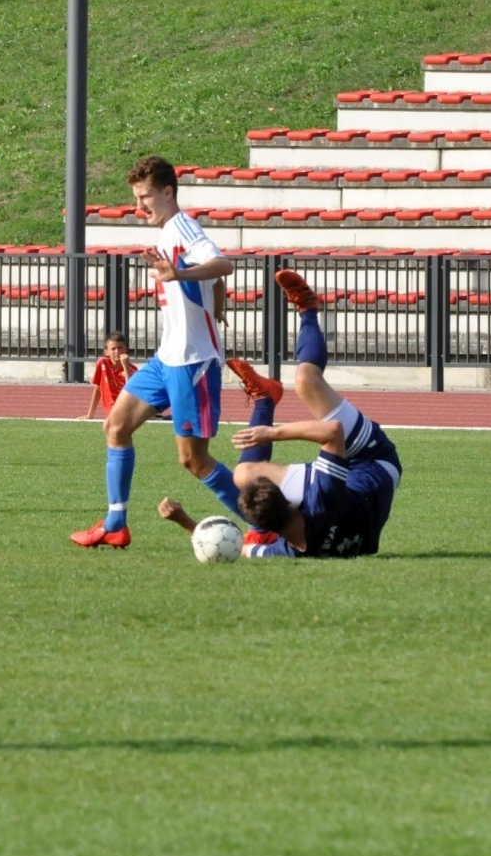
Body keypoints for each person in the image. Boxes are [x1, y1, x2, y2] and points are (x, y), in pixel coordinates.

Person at [158, 268, 402, 559]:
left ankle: (264, 399)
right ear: (291, 501)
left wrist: (185, 522)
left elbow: (237, 549)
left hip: (359, 499)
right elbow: (332, 431)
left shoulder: (287, 551)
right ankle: (308, 310)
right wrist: (272, 433)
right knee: (306, 382)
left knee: (245, 475)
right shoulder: (321, 500)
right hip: (375, 460)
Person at [70, 155, 239, 550]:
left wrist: (179, 274)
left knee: (194, 461)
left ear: (167, 192)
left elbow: (222, 264)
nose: (138, 205)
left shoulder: (183, 227)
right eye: (136, 197)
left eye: (145, 197)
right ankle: (115, 524)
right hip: (167, 359)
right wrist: (217, 307)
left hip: (193, 363)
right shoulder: (166, 233)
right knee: (115, 426)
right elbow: (216, 280)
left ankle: (272, 527)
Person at [81, 331, 140, 420]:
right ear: (107, 352)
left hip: (128, 408)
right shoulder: (102, 363)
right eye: (113, 349)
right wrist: (90, 415)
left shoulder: (133, 370)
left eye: (120, 348)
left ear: (125, 349)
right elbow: (97, 389)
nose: (117, 351)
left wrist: (126, 367)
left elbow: (131, 393)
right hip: (113, 409)